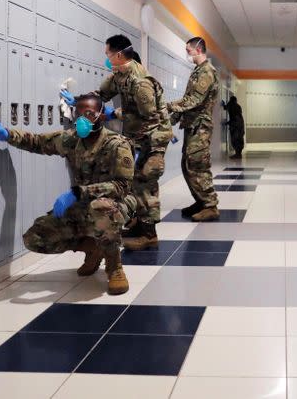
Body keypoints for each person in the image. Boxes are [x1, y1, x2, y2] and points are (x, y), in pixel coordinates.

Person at [0, 93, 134, 295]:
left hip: (114, 205)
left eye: (88, 114)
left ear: (101, 115)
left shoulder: (117, 144)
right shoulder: (72, 139)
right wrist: (7, 134)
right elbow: (37, 142)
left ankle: (114, 267)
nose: (82, 120)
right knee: (36, 237)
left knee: (101, 209)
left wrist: (80, 192)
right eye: (78, 114)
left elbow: (123, 185)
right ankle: (93, 248)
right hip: (81, 204)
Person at [74, 34, 173, 252]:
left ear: (119, 55)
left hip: (153, 137)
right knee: (134, 181)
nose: (107, 59)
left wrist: (115, 113)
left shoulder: (140, 81)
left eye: (108, 54)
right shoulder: (119, 74)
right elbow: (101, 94)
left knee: (145, 182)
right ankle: (138, 225)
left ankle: (149, 235)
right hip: (137, 137)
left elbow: (150, 115)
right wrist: (82, 102)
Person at [168, 36, 221, 221]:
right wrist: (172, 119)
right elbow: (187, 98)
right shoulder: (198, 71)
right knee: (187, 165)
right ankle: (200, 200)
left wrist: (169, 106)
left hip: (200, 128)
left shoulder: (207, 71)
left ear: (198, 49)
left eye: (188, 50)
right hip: (192, 126)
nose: (187, 54)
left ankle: (210, 205)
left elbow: (194, 100)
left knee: (198, 166)